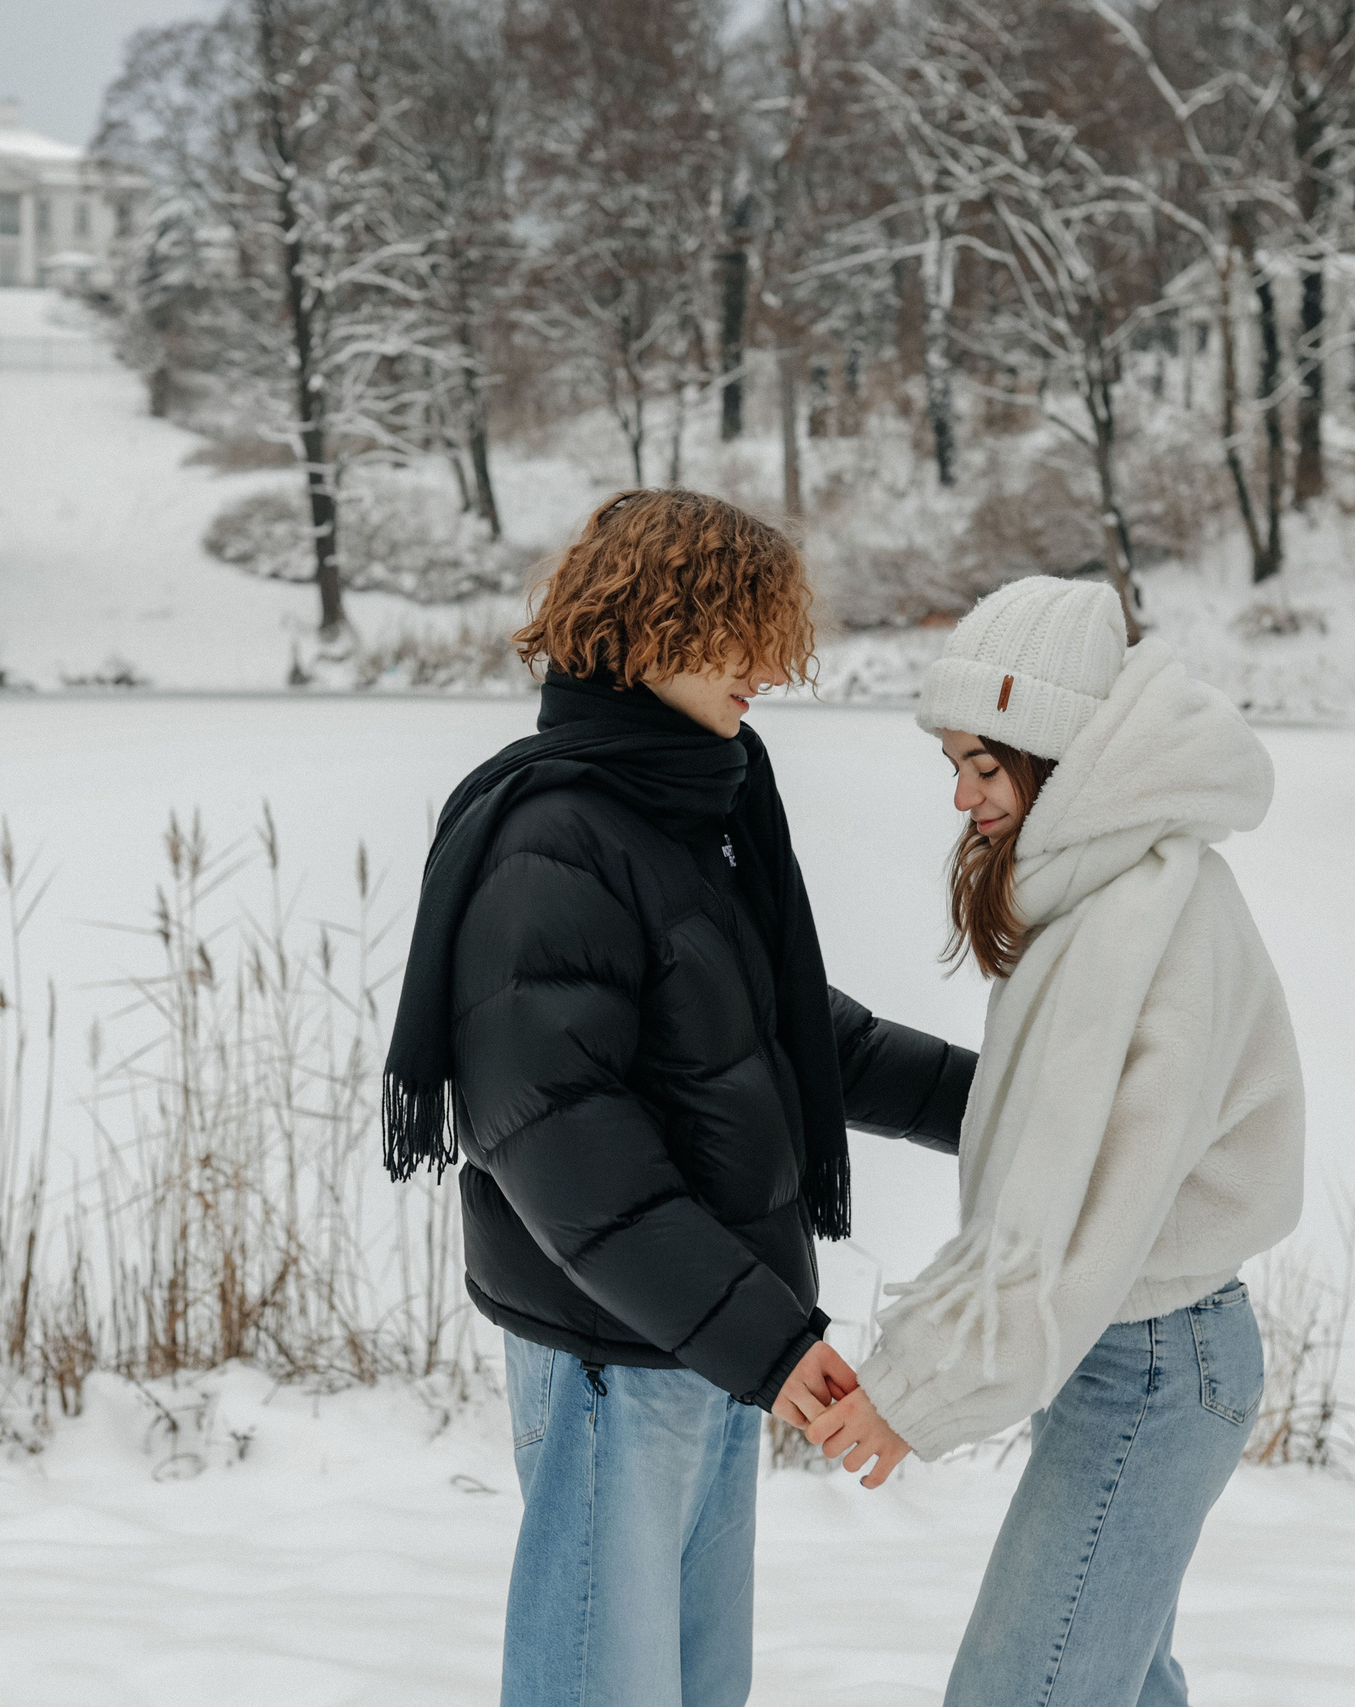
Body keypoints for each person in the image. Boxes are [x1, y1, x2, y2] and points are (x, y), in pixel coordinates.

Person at [383, 488, 973, 1707]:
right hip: (621, 1343)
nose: (768, 668)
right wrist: (761, 1338)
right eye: (738, 631)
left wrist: (1002, 1102)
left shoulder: (687, 813)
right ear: (648, 628)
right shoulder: (555, 840)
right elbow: (559, 1140)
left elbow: (792, 1034)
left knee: (697, 1688)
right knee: (605, 1683)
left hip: (708, 1334)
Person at [805, 575, 1305, 1707]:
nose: (962, 799)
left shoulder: (1134, 916)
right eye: (953, 768)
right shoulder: (1115, 887)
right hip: (1140, 1347)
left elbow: (1073, 1209)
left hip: (1150, 1361)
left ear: (1060, 758)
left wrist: (913, 1388)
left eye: (985, 768)